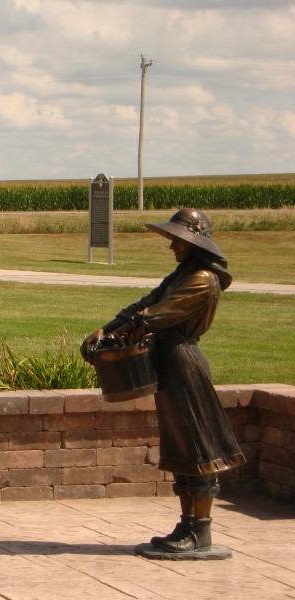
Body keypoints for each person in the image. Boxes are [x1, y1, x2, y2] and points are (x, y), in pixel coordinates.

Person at [81, 208, 246, 553]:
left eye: (178, 240)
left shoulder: (202, 280)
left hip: (183, 363)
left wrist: (116, 336)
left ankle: (200, 531)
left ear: (195, 241)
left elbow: (153, 316)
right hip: (167, 363)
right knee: (181, 447)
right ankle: (187, 526)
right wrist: (105, 329)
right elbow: (141, 306)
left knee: (198, 446)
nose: (172, 246)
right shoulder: (181, 275)